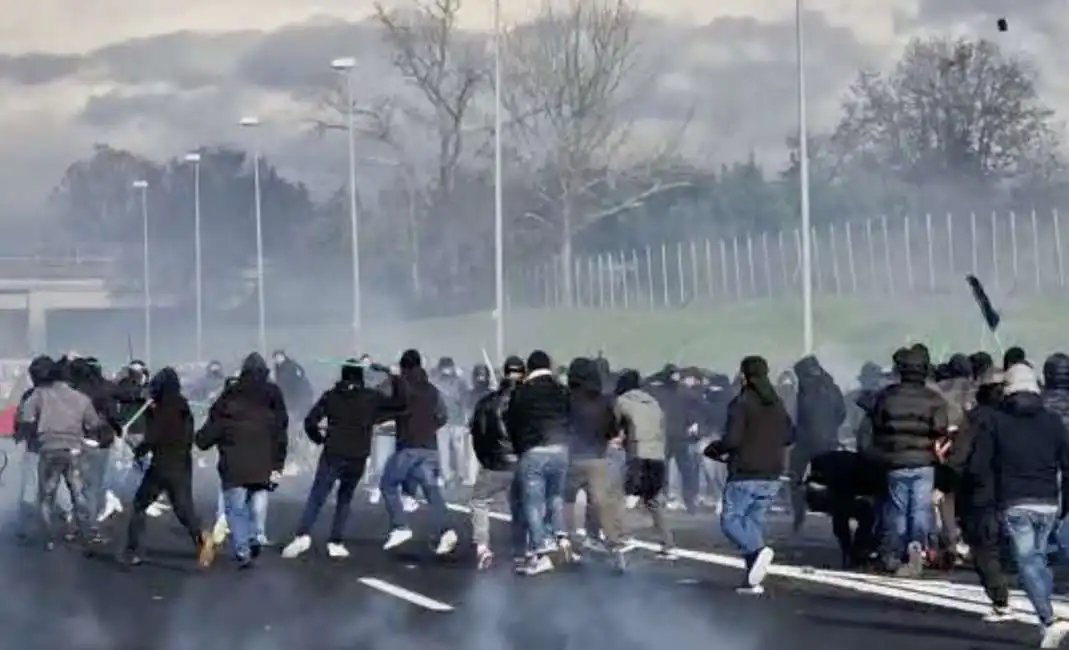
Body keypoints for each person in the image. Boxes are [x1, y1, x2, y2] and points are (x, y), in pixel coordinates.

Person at [968, 363, 1069, 647]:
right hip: (1049, 499)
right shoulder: (1052, 421)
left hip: (1014, 499)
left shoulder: (997, 421)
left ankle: (1048, 619)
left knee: (1026, 562)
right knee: (1037, 558)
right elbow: (1067, 463)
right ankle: (1047, 610)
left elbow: (979, 465)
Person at [281, 359, 404, 560]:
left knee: (317, 496)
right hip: (358, 455)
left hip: (333, 452)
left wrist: (319, 438)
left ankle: (302, 534)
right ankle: (335, 541)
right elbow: (399, 404)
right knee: (344, 499)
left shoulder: (332, 396)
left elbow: (310, 421)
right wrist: (394, 376)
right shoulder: (371, 397)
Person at [704, 355, 794, 594]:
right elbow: (790, 435)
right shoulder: (777, 403)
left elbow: (732, 439)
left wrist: (714, 449)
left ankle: (757, 553)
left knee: (730, 520)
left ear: (744, 375)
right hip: (773, 472)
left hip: (746, 471)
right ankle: (752, 579)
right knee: (752, 522)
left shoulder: (742, 403)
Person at [195, 353, 289, 568]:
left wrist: (201, 440)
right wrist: (278, 464)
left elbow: (213, 424)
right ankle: (256, 535)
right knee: (257, 499)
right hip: (263, 461)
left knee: (236, 508)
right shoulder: (272, 393)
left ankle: (242, 549)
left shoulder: (230, 394)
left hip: (233, 464)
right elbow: (281, 430)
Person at [869, 344, 949, 577]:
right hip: (924, 461)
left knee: (898, 509)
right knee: (921, 508)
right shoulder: (934, 399)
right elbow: (940, 428)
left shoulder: (887, 396)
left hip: (895, 460)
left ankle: (896, 552)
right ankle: (917, 544)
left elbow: (877, 425)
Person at [123, 367, 215, 568]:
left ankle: (133, 551)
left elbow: (153, 437)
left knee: (139, 505)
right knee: (184, 509)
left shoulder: (160, 409)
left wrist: (139, 450)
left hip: (161, 465)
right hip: (182, 464)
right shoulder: (184, 408)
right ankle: (201, 539)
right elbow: (188, 436)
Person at [17, 356, 103, 551]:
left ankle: (49, 539)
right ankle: (86, 535)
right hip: (73, 451)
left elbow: (25, 418)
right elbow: (93, 423)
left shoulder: (39, 394)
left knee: (47, 496)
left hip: (48, 450)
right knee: (78, 494)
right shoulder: (80, 397)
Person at [380, 349, 457, 555]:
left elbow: (393, 403)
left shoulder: (403, 385)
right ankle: (446, 529)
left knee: (387, 484)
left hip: (409, 446)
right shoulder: (431, 389)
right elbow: (442, 416)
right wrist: (429, 426)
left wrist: (392, 378)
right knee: (432, 491)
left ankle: (400, 526)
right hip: (429, 448)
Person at [504, 350, 570, 576]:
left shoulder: (523, 392)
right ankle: (559, 535)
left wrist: (518, 447)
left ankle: (540, 549)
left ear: (529, 368)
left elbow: (512, 421)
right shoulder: (562, 390)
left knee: (532, 503)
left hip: (534, 451)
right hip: (561, 449)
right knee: (555, 497)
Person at [561, 357, 627, 571]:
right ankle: (613, 545)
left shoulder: (566, 399)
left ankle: (568, 539)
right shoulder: (605, 400)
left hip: (572, 458)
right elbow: (613, 429)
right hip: (598, 458)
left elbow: (561, 427)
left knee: (566, 500)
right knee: (602, 503)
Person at [468, 356, 527, 571]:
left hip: (494, 463)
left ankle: (483, 546)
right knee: (521, 506)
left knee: (479, 501)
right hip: (521, 462)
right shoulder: (529, 401)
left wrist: (485, 459)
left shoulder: (487, 401)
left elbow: (477, 432)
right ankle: (522, 551)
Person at [614, 369, 674, 558]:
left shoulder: (621, 402)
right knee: (653, 501)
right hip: (657, 457)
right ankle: (668, 543)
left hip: (637, 455)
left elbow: (614, 427)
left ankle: (623, 535)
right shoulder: (654, 403)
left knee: (622, 498)